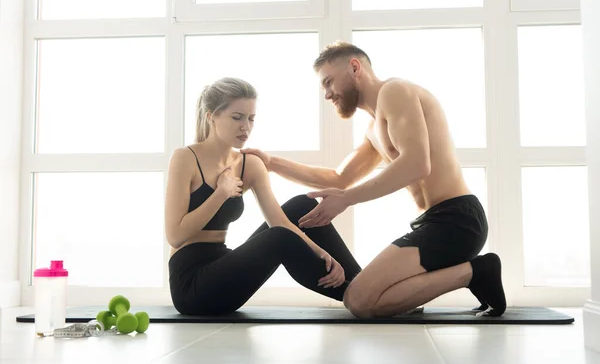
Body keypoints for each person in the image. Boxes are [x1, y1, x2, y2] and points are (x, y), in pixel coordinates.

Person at [242, 41, 506, 318]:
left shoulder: (395, 91)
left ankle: (476, 272)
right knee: (366, 298)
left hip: (456, 221)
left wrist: (346, 200)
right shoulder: (374, 128)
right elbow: (339, 178)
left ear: (355, 67)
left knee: (359, 301)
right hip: (433, 223)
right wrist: (271, 163)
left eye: (329, 82)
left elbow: (417, 164)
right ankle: (465, 276)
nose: (327, 95)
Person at [164, 77, 362, 316]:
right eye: (236, 117)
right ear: (211, 116)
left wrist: (320, 251)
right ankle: (361, 298)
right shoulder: (185, 158)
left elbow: (279, 220)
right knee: (279, 238)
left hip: (223, 265)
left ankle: (366, 286)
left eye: (251, 119)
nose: (245, 127)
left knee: (302, 206)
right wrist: (221, 193)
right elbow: (175, 236)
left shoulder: (250, 164)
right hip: (192, 284)